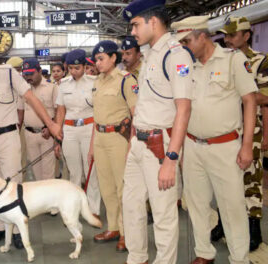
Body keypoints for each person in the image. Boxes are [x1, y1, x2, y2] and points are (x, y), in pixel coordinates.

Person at [0, 41, 62, 249]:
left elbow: (31, 99)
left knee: (11, 185)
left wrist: (50, 124)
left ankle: (16, 230)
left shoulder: (7, 73)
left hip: (8, 138)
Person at [172, 15, 257, 264]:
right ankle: (204, 253)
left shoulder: (232, 60)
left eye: (187, 40)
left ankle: (239, 258)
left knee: (232, 208)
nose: (185, 46)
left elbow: (250, 101)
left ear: (202, 36)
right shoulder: (186, 66)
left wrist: (247, 146)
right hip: (193, 145)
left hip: (225, 146)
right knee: (196, 205)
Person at [122, 1, 195, 263]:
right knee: (131, 207)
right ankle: (137, 258)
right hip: (139, 143)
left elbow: (183, 109)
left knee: (163, 214)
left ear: (153, 22)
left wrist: (171, 158)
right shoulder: (151, 54)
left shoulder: (176, 55)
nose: (132, 31)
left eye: (135, 24)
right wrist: (133, 139)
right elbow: (144, 103)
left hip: (160, 146)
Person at [211, 16, 268, 251]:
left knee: (251, 180)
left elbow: (265, 98)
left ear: (247, 35)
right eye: (225, 36)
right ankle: (225, 222)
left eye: (233, 35)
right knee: (225, 179)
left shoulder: (259, 61)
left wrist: (239, 94)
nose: (228, 40)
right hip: (225, 129)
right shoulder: (221, 61)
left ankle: (254, 227)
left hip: (251, 131)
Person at [88, 41, 137, 252]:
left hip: (119, 138)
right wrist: (92, 146)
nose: (98, 63)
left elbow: (136, 115)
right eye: (96, 60)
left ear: (113, 58)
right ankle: (114, 227)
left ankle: (127, 233)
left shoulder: (126, 80)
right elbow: (96, 116)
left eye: (101, 59)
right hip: (99, 137)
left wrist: (131, 145)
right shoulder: (97, 81)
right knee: (106, 188)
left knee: (122, 188)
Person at [54, 49, 101, 219]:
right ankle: (74, 209)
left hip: (89, 128)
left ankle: (93, 210)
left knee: (91, 170)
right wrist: (57, 133)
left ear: (84, 66)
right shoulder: (64, 84)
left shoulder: (94, 82)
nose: (74, 72)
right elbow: (60, 110)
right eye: (71, 68)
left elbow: (99, 110)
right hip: (69, 130)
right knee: (74, 172)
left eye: (77, 68)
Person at [21, 58, 57, 180]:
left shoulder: (51, 88)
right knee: (36, 172)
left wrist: (51, 128)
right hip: (30, 134)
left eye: (31, 73)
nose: (28, 77)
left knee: (48, 173)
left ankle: (50, 199)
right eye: (26, 74)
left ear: (40, 71)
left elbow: (58, 111)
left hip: (46, 134)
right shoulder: (24, 89)